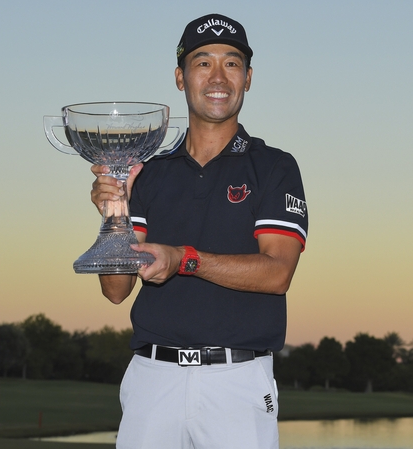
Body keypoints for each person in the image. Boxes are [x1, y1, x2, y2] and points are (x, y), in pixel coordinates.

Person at [89, 13, 308, 449]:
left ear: (248, 79)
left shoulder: (274, 167)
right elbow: (115, 290)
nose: (218, 76)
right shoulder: (148, 173)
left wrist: (183, 259)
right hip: (152, 379)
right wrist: (114, 211)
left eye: (232, 63)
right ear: (179, 76)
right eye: (202, 62)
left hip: (237, 382)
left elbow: (277, 272)